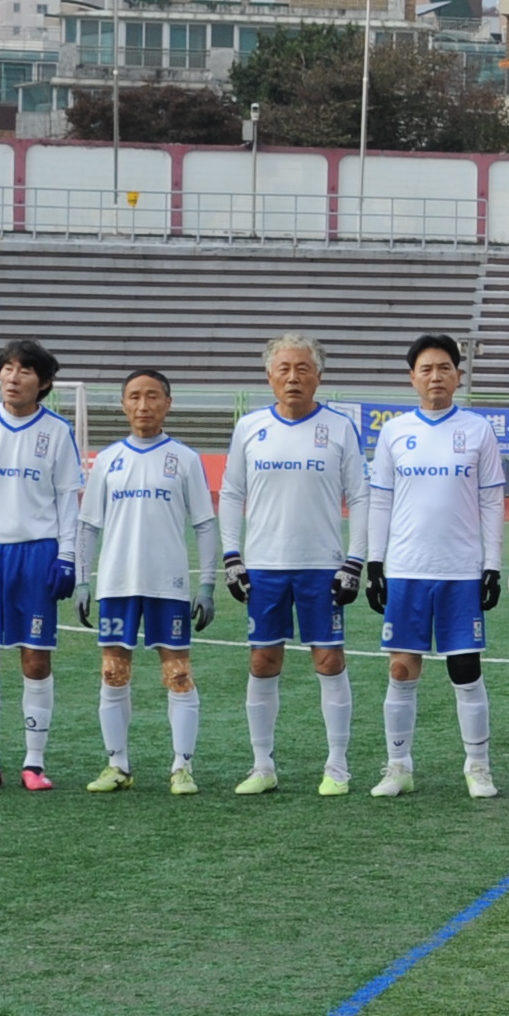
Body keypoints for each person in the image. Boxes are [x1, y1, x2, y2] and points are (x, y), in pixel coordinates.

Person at [223, 333, 369, 797]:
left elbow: (360, 496)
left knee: (329, 659)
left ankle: (337, 766)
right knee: (263, 660)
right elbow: (232, 493)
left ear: (318, 376)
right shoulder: (249, 427)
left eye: (302, 368)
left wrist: (355, 559)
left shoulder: (340, 428)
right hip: (264, 565)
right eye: (283, 368)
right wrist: (231, 555)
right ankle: (262, 765)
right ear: (269, 376)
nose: (293, 377)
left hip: (322, 565)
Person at [364, 332, 509, 799]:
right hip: (407, 569)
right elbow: (380, 501)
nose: (435, 376)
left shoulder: (478, 430)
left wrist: (492, 565)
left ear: (458, 375)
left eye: (444, 367)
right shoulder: (394, 432)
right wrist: (375, 563)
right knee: (401, 671)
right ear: (412, 377)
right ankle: (398, 767)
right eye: (426, 369)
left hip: (460, 570)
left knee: (465, 670)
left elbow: (492, 502)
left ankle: (478, 767)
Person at [0, 339, 83, 791]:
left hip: (35, 553)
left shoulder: (57, 431)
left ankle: (34, 763)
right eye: (7, 368)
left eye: (24, 370)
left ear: (42, 382)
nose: (12, 376)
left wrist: (67, 556)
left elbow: (67, 500)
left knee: (35, 658)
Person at [78, 366, 216, 794]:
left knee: (178, 674)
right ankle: (117, 765)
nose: (143, 404)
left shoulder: (185, 458)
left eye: (152, 396)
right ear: (123, 404)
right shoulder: (107, 459)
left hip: (167, 584)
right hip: (117, 583)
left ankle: (182, 767)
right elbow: (88, 525)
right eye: (135, 396)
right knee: (113, 672)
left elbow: (205, 524)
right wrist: (83, 580)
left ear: (168, 403)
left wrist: (207, 585)